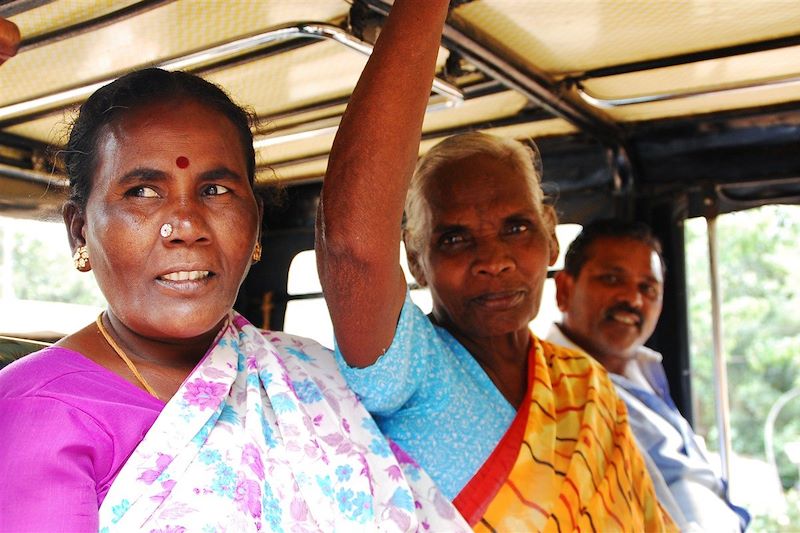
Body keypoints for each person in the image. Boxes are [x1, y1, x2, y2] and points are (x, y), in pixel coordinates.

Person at [0, 4, 470, 531]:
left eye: (216, 190)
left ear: (255, 224)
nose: (185, 223)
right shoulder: (37, 411)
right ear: (79, 231)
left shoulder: (305, 375)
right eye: (142, 192)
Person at [315, 1, 674, 530]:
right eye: (456, 238)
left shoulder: (585, 383)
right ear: (417, 260)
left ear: (551, 238)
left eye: (517, 228)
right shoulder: (415, 368)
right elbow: (351, 247)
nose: (494, 260)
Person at [548, 218, 750, 531]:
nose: (633, 299)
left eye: (648, 288)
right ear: (564, 289)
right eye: (612, 279)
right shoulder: (552, 389)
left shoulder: (644, 370)